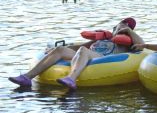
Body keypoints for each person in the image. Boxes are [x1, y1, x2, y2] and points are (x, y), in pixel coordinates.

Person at [8, 17, 144, 90]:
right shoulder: (103, 37)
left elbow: (140, 46)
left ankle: (71, 78)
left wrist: (129, 32)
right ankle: (27, 78)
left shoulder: (127, 42)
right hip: (87, 54)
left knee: (84, 51)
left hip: (102, 59)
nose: (119, 28)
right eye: (118, 26)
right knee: (61, 50)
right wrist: (60, 48)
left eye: (123, 27)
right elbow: (80, 46)